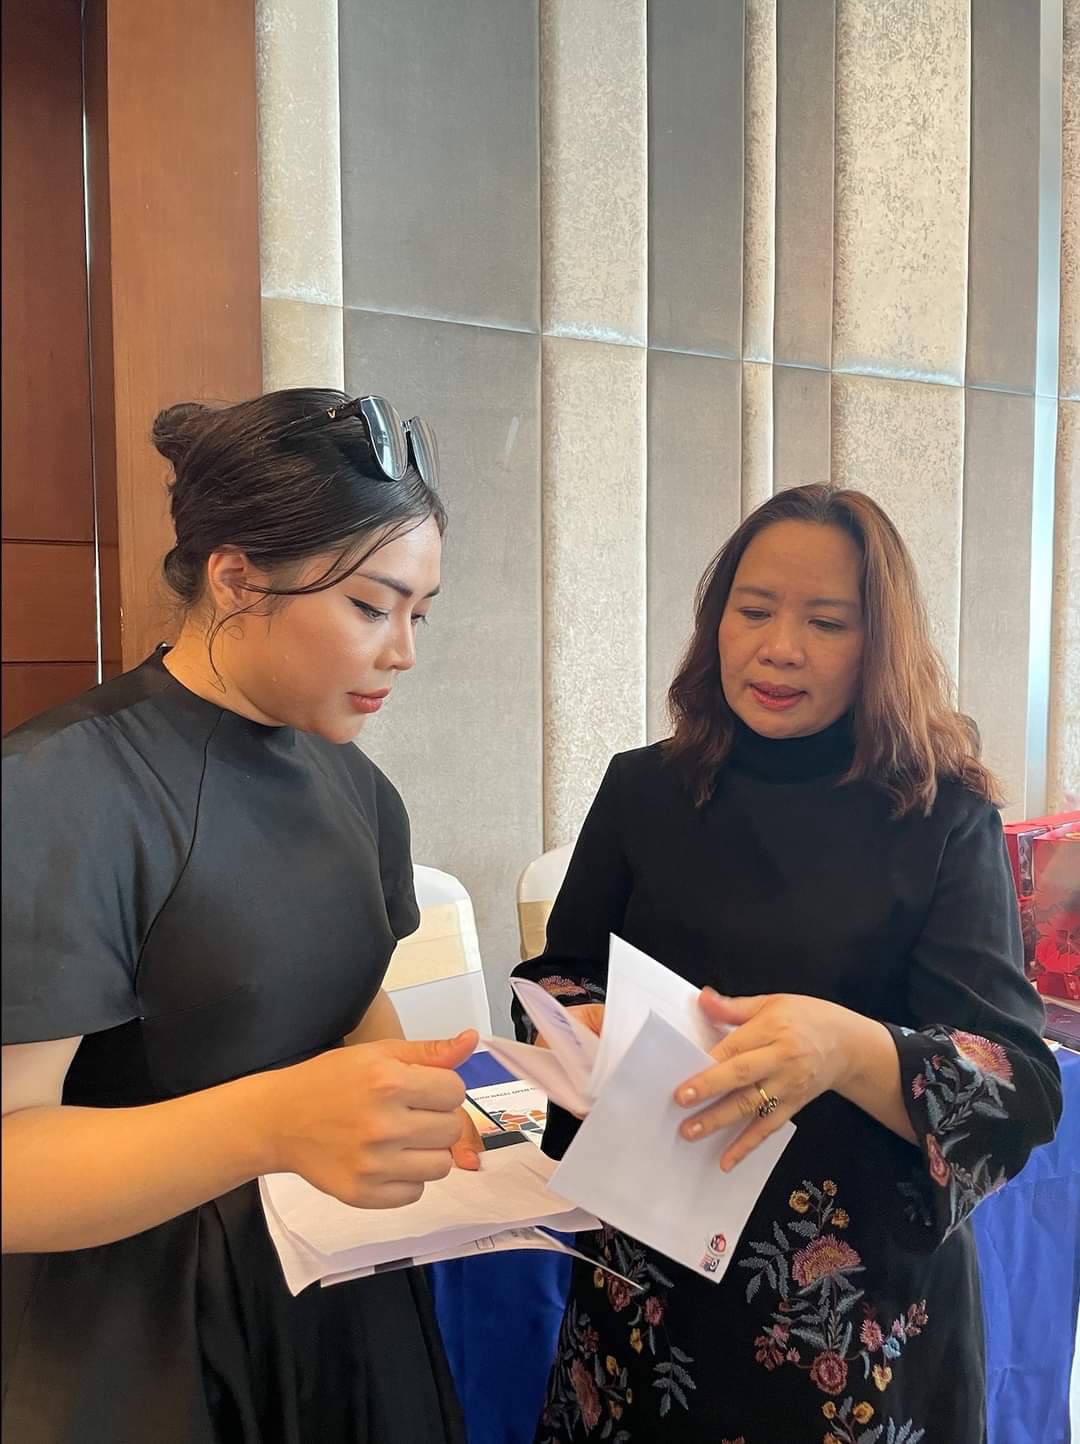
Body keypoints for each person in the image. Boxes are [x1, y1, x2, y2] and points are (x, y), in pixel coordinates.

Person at [514, 484, 1062, 1443]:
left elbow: (1016, 1083)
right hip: (647, 1294)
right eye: (754, 610)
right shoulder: (645, 790)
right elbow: (556, 980)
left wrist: (845, 1048)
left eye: (826, 622)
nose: (779, 648)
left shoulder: (941, 817)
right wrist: (581, 1028)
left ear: (879, 645)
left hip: (853, 1319)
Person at [2, 389, 484, 1444]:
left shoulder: (358, 789)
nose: (403, 652)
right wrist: (271, 1122)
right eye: (372, 607)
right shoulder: (58, 789)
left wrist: (423, 1096)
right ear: (236, 577)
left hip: (339, 1291)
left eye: (420, 614)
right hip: (132, 1337)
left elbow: (348, 1013)